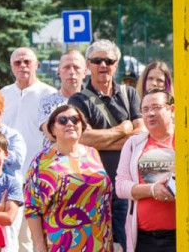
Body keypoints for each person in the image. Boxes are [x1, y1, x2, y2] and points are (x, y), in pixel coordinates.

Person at [116, 89, 189, 252]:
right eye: (145, 109)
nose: (150, 113)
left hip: (183, 237)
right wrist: (153, 190)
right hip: (144, 239)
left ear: (172, 110)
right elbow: (121, 186)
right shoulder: (133, 144)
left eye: (156, 107)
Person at [68, 39, 144, 250]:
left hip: (127, 186)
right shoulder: (78, 100)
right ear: (88, 64)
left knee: (130, 245)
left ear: (116, 64)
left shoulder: (129, 94)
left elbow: (142, 133)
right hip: (92, 186)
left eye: (109, 61)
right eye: (97, 60)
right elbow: (83, 138)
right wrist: (123, 129)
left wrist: (101, 141)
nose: (103, 65)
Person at [23, 103, 112, 252]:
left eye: (75, 119)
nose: (70, 123)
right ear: (52, 129)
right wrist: (39, 247)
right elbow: (32, 208)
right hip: (62, 244)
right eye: (62, 120)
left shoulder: (93, 154)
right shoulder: (42, 161)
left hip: (99, 242)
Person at [0, 48, 58, 182]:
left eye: (27, 62)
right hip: (7, 173)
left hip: (40, 170)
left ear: (36, 65)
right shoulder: (2, 94)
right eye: (17, 63)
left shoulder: (50, 94)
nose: (22, 66)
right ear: (11, 67)